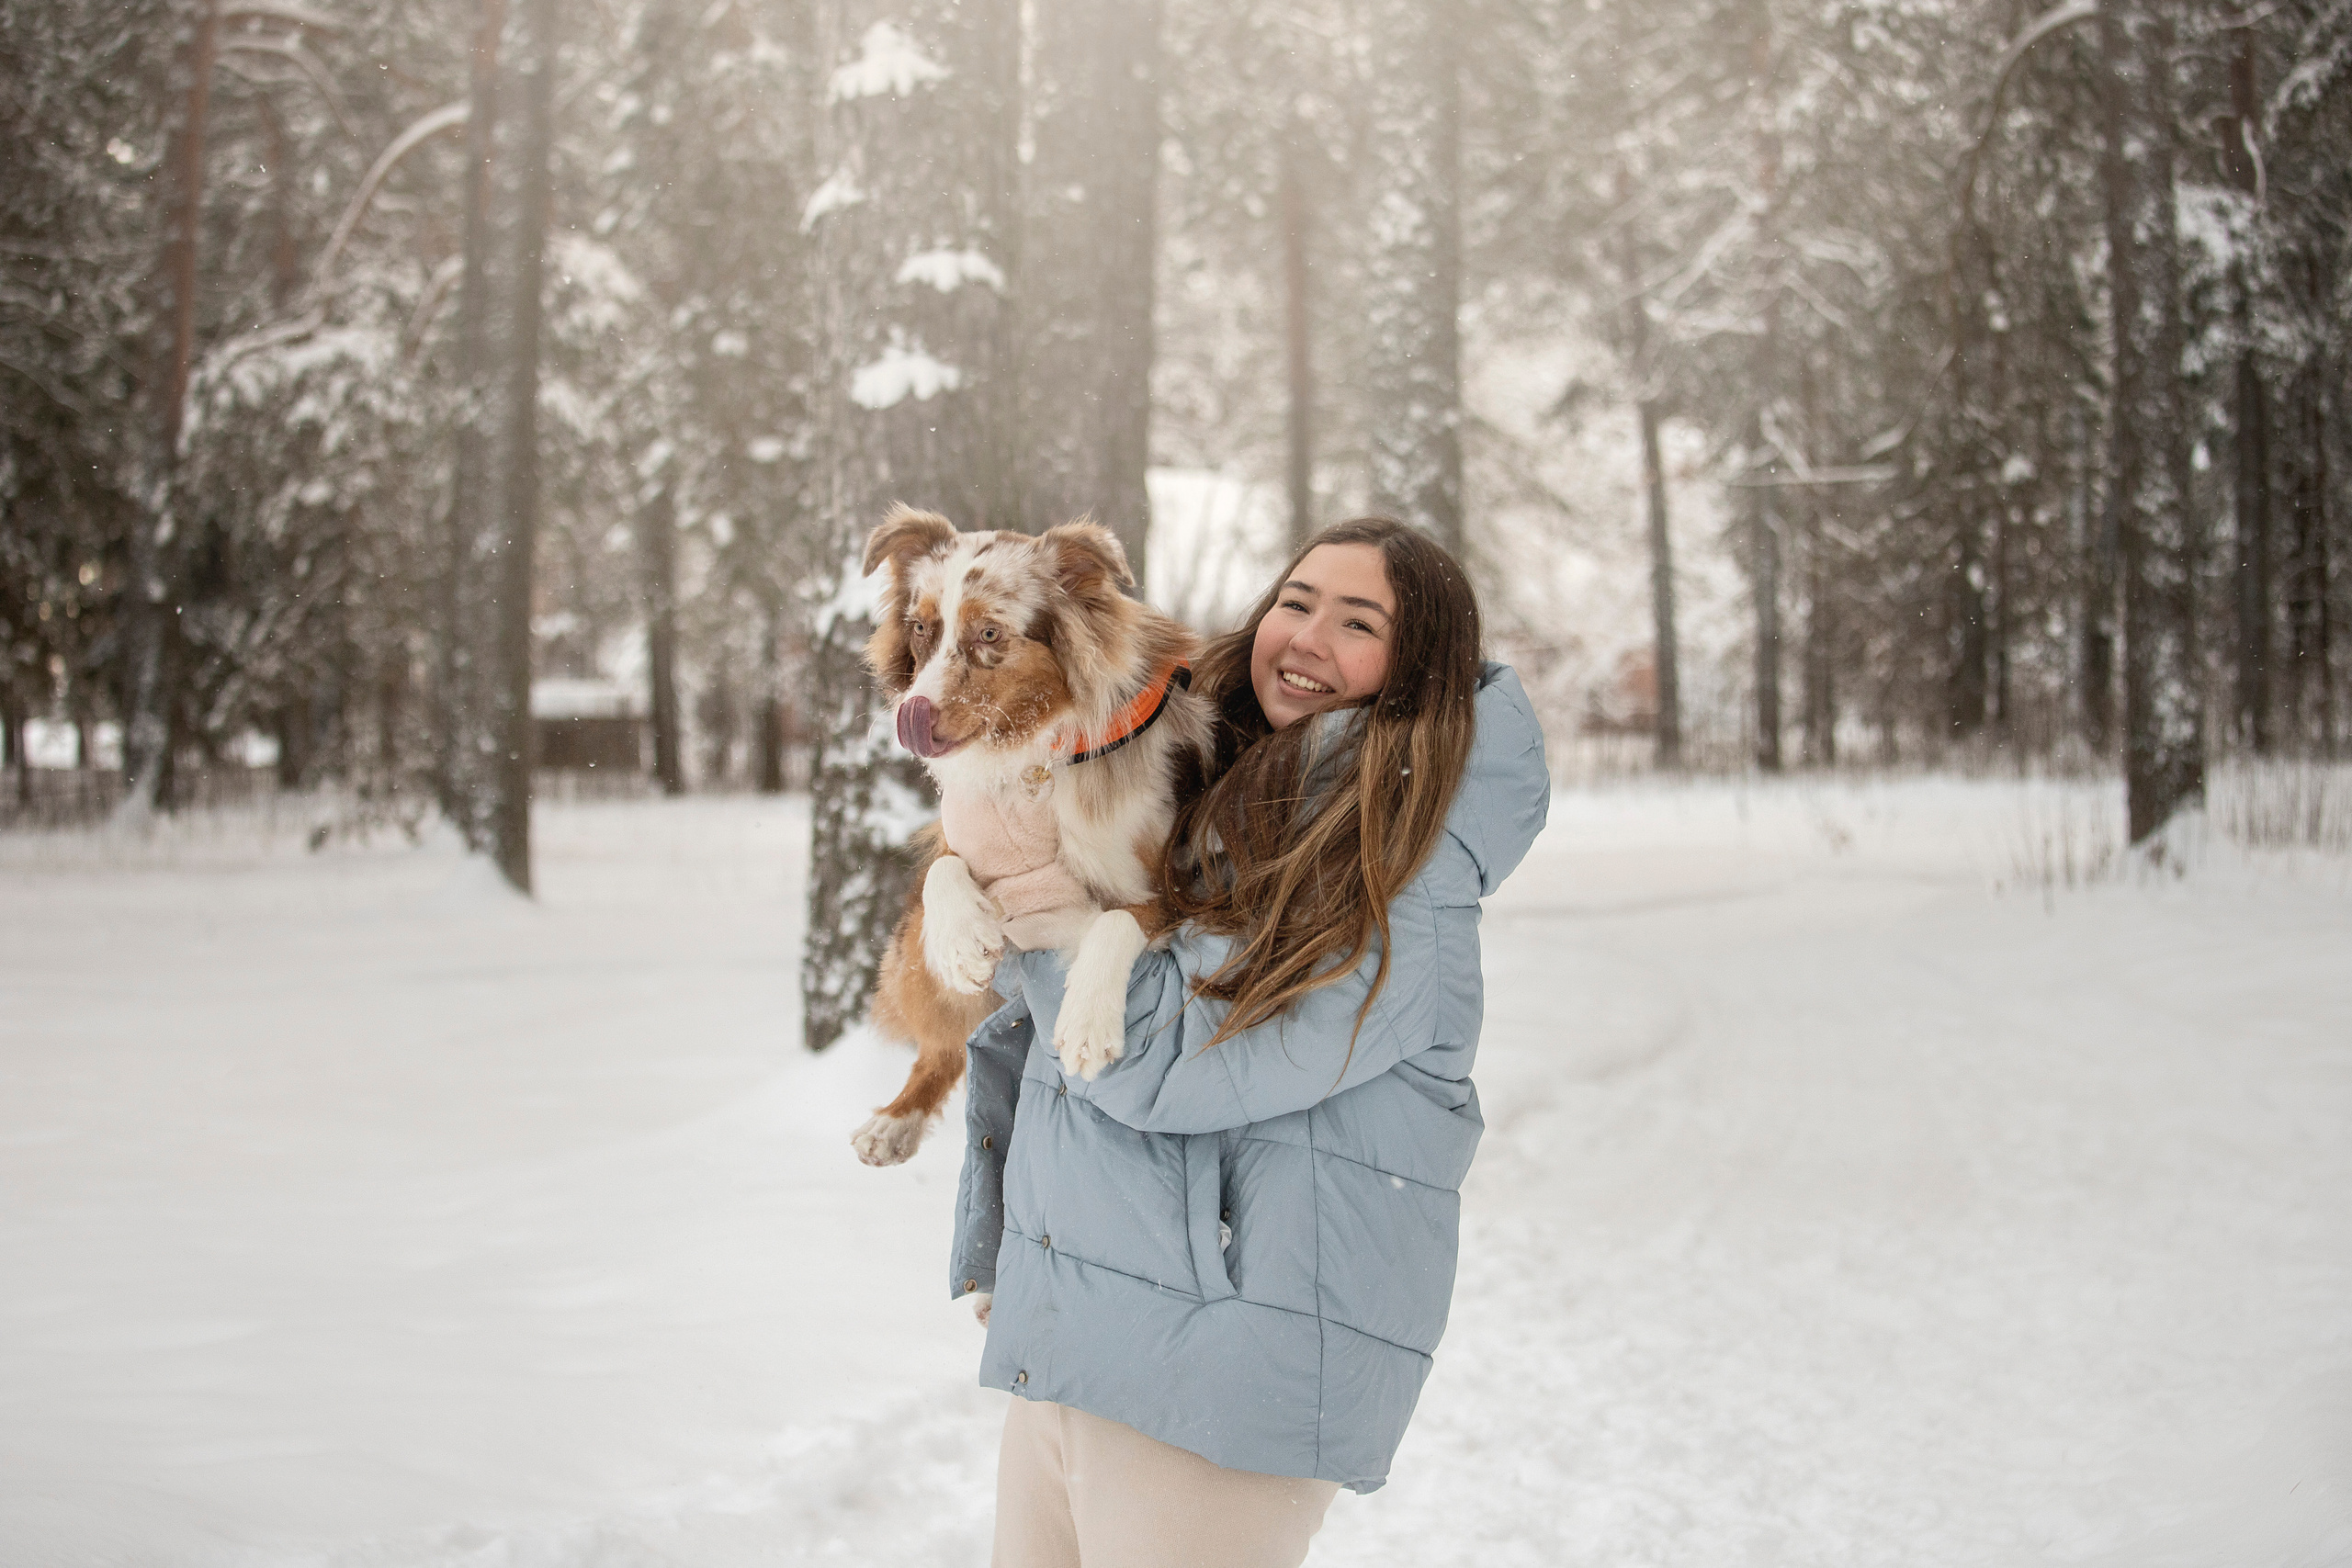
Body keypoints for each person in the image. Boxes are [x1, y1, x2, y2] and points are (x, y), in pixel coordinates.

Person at [951, 517, 1551, 1568]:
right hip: (1088, 1338)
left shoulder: (1396, 874)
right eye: (1297, 601)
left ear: (1418, 672)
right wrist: (1004, 1241)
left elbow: (1147, 1058)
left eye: (1358, 622)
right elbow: (1035, 1037)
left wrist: (1022, 882)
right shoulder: (1197, 772)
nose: (1307, 638)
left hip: (1221, 1384)